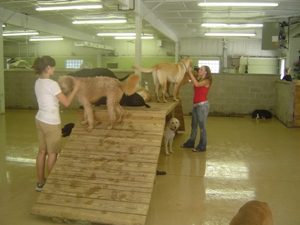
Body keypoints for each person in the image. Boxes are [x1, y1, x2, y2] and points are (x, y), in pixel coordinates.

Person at [32, 56, 79, 191]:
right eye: (53, 67)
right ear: (47, 68)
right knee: (53, 153)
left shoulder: (38, 82)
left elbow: (52, 97)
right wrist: (75, 89)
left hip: (40, 119)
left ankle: (40, 183)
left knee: (42, 151)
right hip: (51, 122)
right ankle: (53, 185)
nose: (54, 69)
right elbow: (67, 103)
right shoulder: (52, 84)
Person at [181, 65, 212, 152]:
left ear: (205, 72)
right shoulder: (198, 79)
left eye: (201, 69)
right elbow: (192, 81)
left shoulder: (207, 81)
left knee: (202, 127)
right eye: (199, 69)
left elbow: (197, 85)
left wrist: (190, 73)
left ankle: (202, 146)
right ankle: (191, 142)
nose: (199, 70)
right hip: (195, 105)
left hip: (202, 106)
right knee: (193, 125)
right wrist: (187, 75)